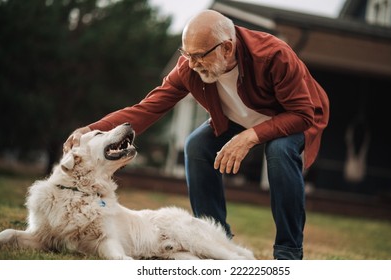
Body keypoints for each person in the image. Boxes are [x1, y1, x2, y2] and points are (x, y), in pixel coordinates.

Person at [64, 10, 329, 260]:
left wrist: (250, 136)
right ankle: (215, 242)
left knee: (280, 151)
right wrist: (89, 129)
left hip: (292, 115)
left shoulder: (274, 55)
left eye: (200, 55)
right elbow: (147, 108)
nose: (192, 64)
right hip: (238, 119)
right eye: (187, 54)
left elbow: (302, 114)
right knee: (197, 146)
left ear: (227, 47)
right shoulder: (189, 68)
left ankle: (288, 252)